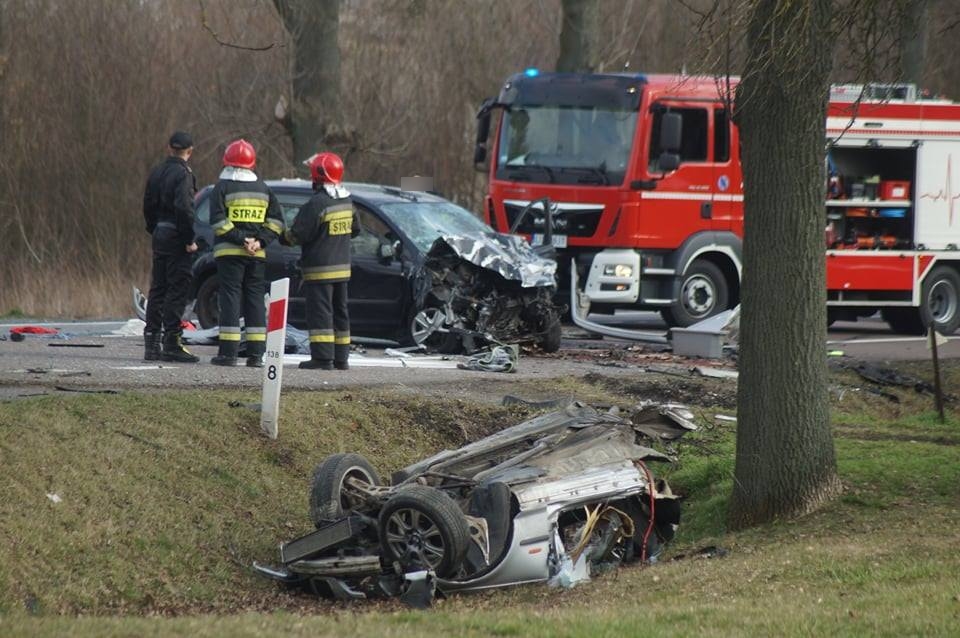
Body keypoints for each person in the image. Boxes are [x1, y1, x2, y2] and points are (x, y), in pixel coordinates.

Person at [208, 139, 284, 367]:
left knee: (230, 298)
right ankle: (256, 355)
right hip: (255, 256)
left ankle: (228, 353)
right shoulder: (263, 188)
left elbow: (218, 221)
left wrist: (241, 239)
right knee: (255, 301)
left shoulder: (222, 187)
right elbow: (277, 222)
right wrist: (259, 242)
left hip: (229, 253)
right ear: (252, 163)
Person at [286, 152, 357, 370]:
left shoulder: (317, 204)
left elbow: (297, 235)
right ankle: (341, 358)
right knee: (340, 313)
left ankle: (322, 358)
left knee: (321, 314)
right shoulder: (347, 201)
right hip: (342, 269)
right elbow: (355, 230)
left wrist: (280, 234)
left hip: (319, 270)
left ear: (317, 176)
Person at [142, 131, 200, 363]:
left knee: (158, 288)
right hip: (177, 236)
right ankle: (172, 343)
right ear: (190, 151)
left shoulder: (156, 172)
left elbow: (147, 204)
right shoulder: (183, 174)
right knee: (177, 288)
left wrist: (154, 229)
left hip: (159, 233)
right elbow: (184, 209)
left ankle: (152, 343)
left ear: (169, 148)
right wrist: (189, 240)